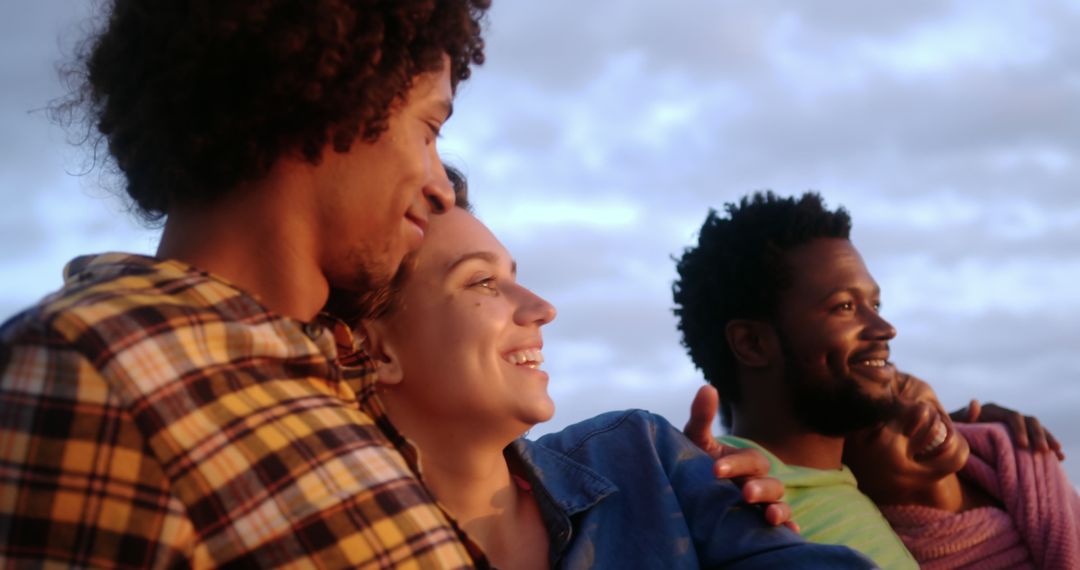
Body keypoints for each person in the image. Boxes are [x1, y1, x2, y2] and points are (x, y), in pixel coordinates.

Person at [0, 1, 493, 566]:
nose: (443, 191)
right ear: (327, 97)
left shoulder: (323, 380)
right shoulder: (91, 367)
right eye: (429, 130)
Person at [341, 190, 876, 568]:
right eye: (482, 281)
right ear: (373, 347)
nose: (542, 308)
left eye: (515, 277)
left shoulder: (643, 459)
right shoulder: (334, 544)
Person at [672, 191, 920, 568]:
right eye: (845, 307)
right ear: (753, 343)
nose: (884, 329)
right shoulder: (733, 497)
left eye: (875, 305)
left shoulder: (871, 476)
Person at [843, 374, 1080, 568]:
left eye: (901, 384)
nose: (919, 412)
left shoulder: (1017, 449)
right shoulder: (886, 559)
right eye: (878, 426)